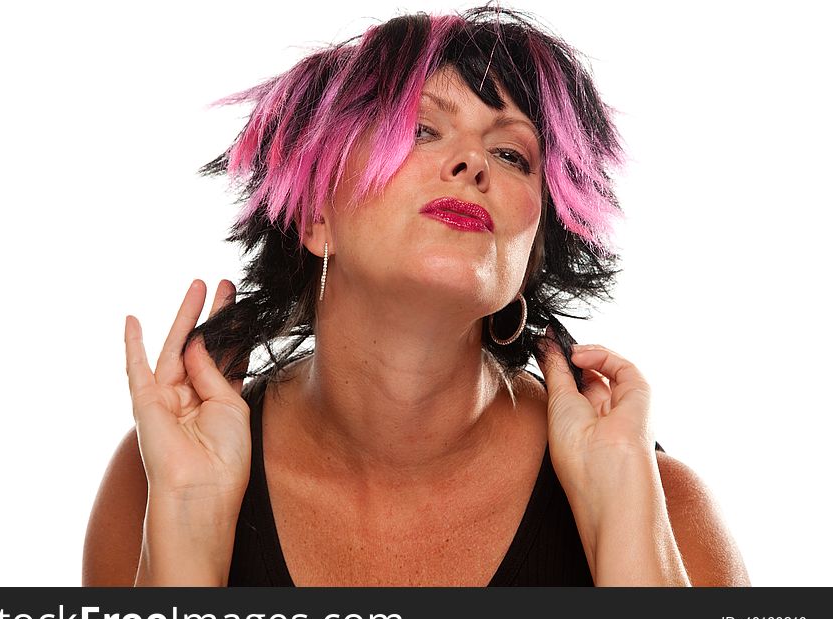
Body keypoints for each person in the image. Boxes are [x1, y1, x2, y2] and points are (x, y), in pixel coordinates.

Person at [83, 6, 750, 587]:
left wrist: (624, 530)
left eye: (513, 155)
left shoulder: (664, 504)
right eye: (424, 130)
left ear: (532, 250)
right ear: (317, 215)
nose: (472, 164)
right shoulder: (155, 475)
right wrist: (189, 526)